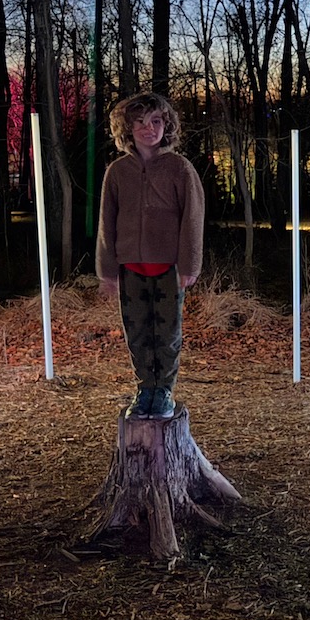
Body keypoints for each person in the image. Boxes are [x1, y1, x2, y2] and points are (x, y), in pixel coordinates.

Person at [96, 92, 205, 417]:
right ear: (127, 128)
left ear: (166, 125)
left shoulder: (179, 169)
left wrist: (190, 265)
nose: (148, 128)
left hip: (169, 268)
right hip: (130, 268)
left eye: (155, 121)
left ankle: (164, 394)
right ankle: (145, 392)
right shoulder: (117, 172)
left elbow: (193, 218)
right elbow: (107, 222)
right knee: (138, 333)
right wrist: (107, 271)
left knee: (167, 335)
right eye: (140, 122)